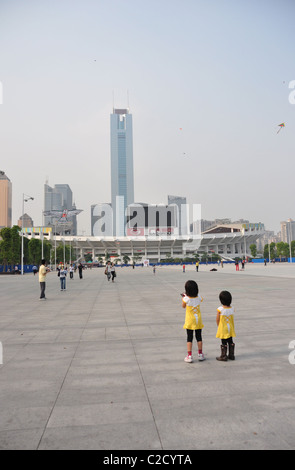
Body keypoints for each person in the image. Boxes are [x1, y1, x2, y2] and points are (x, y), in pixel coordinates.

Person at [181, 280, 205, 362]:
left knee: (189, 338)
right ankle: (200, 354)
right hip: (198, 320)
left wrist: (183, 297)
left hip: (190, 321)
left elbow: (183, 306)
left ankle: (189, 355)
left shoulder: (186, 299)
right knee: (199, 337)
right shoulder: (198, 297)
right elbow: (200, 299)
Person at [216, 290, 236, 361]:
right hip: (230, 328)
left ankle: (223, 356)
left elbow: (217, 319)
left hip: (223, 328)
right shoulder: (232, 308)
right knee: (230, 340)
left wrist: (219, 326)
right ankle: (231, 355)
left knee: (224, 341)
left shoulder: (220, 309)